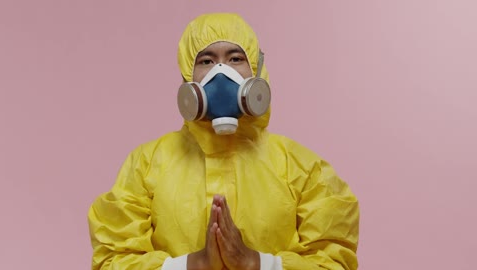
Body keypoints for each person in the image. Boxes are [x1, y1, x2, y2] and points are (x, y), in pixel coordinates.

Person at [88, 13, 359, 270]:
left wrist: (255, 263)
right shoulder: (145, 165)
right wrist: (194, 264)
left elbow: (335, 262)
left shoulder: (303, 169)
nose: (221, 73)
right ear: (187, 77)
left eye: (235, 58)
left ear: (256, 71)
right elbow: (113, 260)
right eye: (206, 61)